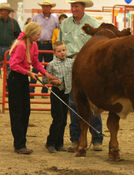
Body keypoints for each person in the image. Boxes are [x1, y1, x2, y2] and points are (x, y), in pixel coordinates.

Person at [59, 0, 103, 152]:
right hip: (70, 63)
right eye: (72, 6)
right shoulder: (64, 24)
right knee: (73, 102)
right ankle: (75, 138)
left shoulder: (93, 23)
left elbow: (99, 46)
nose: (74, 8)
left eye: (77, 6)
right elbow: (60, 44)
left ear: (83, 7)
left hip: (88, 64)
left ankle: (97, 138)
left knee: (92, 102)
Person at [7, 22, 57, 154]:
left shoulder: (33, 45)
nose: (39, 36)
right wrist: (28, 72)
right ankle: (19, 145)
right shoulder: (21, 46)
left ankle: (21, 142)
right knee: (18, 112)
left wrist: (45, 73)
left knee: (25, 111)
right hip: (15, 79)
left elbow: (35, 62)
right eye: (37, 34)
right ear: (30, 33)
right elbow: (13, 65)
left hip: (22, 78)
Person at [44, 41, 74, 153]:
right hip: (56, 93)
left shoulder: (71, 62)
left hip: (66, 93)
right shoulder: (51, 64)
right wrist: (52, 80)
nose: (62, 53)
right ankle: (50, 143)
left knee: (64, 120)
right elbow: (44, 79)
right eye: (59, 51)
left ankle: (59, 144)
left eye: (64, 50)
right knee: (58, 118)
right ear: (55, 53)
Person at [29, 0, 59, 97]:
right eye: (44, 6)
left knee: (48, 68)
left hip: (49, 45)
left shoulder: (55, 19)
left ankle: (44, 91)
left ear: (50, 7)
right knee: (35, 67)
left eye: (47, 6)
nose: (46, 8)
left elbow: (58, 31)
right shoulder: (36, 18)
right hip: (36, 44)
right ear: (42, 7)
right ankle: (31, 90)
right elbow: (30, 29)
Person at [0, 3, 21, 76]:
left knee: (9, 68)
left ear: (8, 12)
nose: (2, 12)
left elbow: (19, 36)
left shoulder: (13, 22)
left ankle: (7, 86)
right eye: (1, 10)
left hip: (9, 49)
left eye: (4, 11)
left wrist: (14, 45)